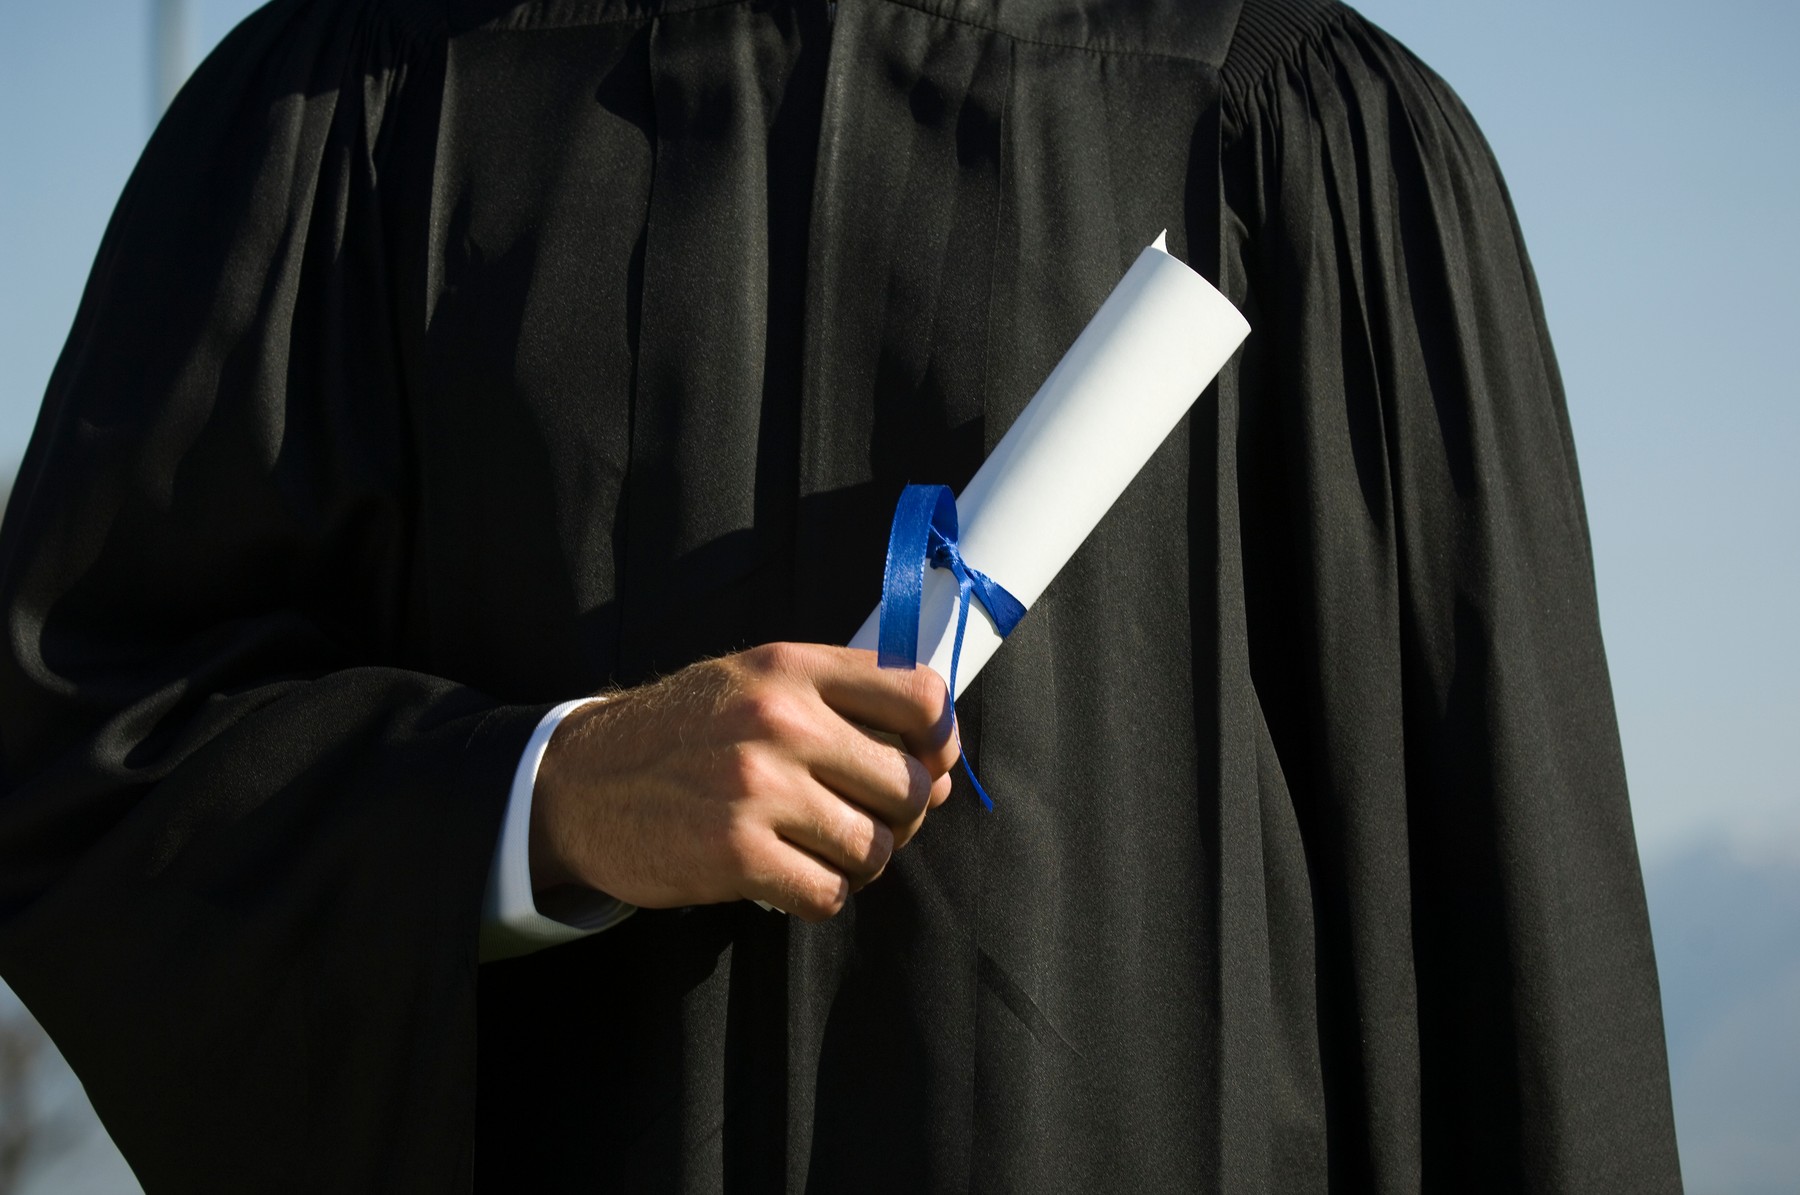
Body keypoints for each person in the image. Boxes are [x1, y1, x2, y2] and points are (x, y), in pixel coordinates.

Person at [0, 0, 1682, 1187]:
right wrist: (541, 799)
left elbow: (1522, 990)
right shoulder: (349, 110)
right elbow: (79, 751)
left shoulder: (1306, 135)